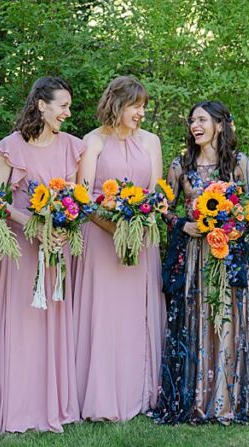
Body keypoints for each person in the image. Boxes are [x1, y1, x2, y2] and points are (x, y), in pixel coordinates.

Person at [151, 101, 249, 425]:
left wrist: (233, 222)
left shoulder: (238, 164)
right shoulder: (181, 165)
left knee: (227, 319)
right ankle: (196, 402)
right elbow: (162, 207)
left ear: (219, 124)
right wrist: (181, 225)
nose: (194, 126)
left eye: (201, 120)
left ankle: (226, 402)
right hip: (194, 257)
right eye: (191, 121)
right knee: (196, 320)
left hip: (227, 254)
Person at [0, 76, 84, 433]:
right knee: (22, 323)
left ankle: (50, 405)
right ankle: (17, 409)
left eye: (69, 106)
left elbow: (74, 200)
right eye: (63, 106)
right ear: (41, 105)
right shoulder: (11, 147)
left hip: (54, 250)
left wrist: (62, 227)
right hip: (19, 251)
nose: (68, 113)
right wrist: (30, 221)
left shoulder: (72, 147)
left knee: (50, 322)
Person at [72, 76, 165, 422]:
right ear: (117, 104)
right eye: (135, 106)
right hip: (101, 240)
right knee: (104, 316)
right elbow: (83, 196)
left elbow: (156, 192)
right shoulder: (93, 142)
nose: (141, 113)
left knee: (135, 316)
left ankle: (137, 394)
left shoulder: (151, 142)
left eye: (143, 106)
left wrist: (139, 223)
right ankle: (100, 398)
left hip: (140, 240)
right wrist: (115, 227)